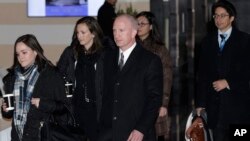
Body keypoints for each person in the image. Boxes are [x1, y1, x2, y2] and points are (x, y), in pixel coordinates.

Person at [98, 14, 163, 141]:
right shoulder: (107, 57)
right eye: (114, 31)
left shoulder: (150, 60)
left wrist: (141, 129)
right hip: (108, 132)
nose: (117, 35)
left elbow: (154, 99)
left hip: (135, 131)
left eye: (121, 30)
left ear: (134, 32)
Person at [195, 1, 250, 141]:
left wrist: (228, 82)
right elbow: (202, 75)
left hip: (239, 108)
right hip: (215, 109)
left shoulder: (244, 40)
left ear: (232, 18)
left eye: (222, 16)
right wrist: (200, 104)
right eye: (216, 16)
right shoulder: (207, 42)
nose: (218, 19)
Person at [1, 34, 66, 141]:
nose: (20, 57)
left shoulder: (50, 75)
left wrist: (42, 103)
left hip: (42, 135)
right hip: (18, 136)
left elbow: (64, 107)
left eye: (24, 52)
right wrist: (5, 110)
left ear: (35, 52)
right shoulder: (11, 78)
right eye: (17, 54)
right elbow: (8, 114)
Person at [57, 16, 105, 141]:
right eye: (77, 33)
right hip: (76, 107)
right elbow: (58, 75)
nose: (79, 36)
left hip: (97, 109)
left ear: (93, 33)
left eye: (83, 32)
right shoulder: (71, 53)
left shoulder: (104, 55)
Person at [136, 11, 173, 141]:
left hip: (154, 99)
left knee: (155, 134)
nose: (139, 26)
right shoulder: (131, 46)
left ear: (151, 27)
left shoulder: (159, 49)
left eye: (142, 24)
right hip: (135, 101)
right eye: (137, 24)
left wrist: (164, 103)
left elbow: (167, 77)